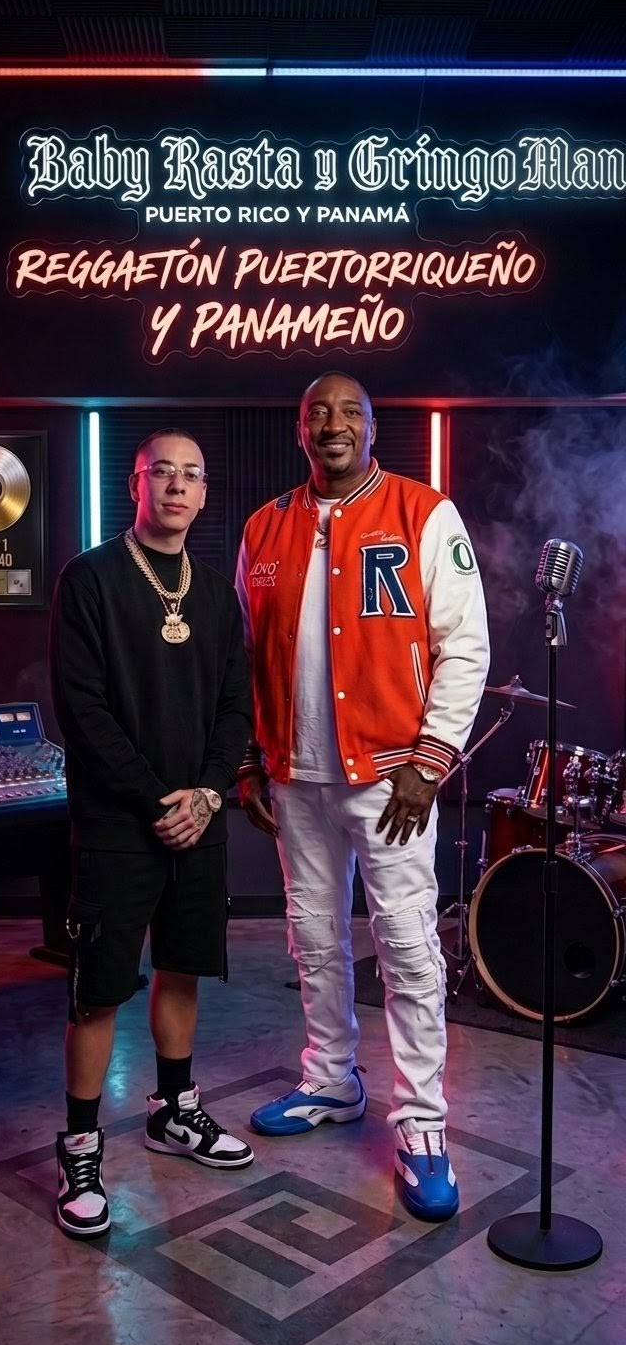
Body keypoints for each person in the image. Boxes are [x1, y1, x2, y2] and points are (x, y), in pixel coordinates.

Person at [235, 372, 489, 1222]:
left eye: (350, 411)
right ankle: (331, 1079)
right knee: (313, 936)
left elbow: (466, 646)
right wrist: (252, 757)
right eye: (318, 412)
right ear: (299, 429)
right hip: (296, 776)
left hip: (391, 778)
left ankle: (421, 1123)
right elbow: (247, 655)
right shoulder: (263, 527)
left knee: (409, 946)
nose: (332, 423)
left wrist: (429, 761)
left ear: (373, 428)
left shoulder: (424, 513)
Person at [49, 427, 254, 1239]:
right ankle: (80, 1146)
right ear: (135, 484)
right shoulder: (90, 578)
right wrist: (156, 798)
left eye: (189, 475)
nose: (175, 485)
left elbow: (236, 708)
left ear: (203, 494)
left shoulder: (217, 595)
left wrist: (207, 792)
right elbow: (82, 708)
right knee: (98, 990)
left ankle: (175, 1109)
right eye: (160, 472)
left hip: (197, 819)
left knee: (182, 967)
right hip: (117, 825)